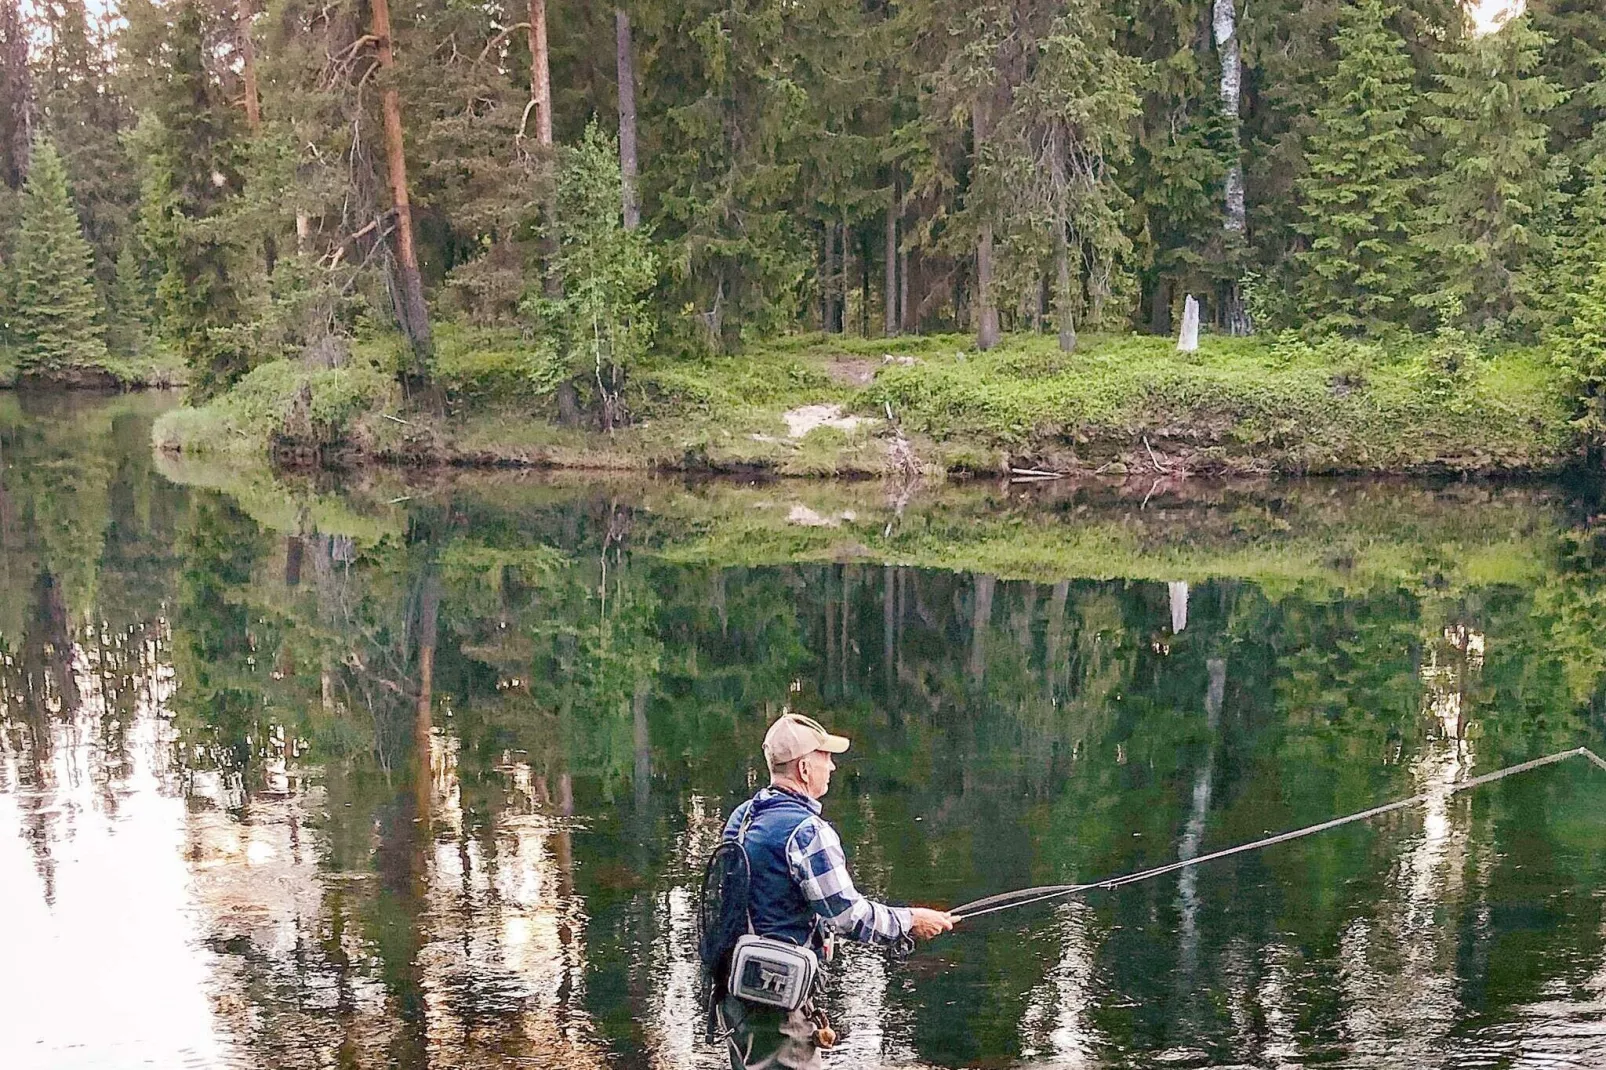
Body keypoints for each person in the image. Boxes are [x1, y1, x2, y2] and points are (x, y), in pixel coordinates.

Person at [717, 712, 956, 1070]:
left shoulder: (743, 816)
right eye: (825, 757)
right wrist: (909, 921)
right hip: (776, 1002)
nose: (832, 766)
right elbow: (847, 915)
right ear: (803, 769)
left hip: (735, 992)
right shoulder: (808, 832)